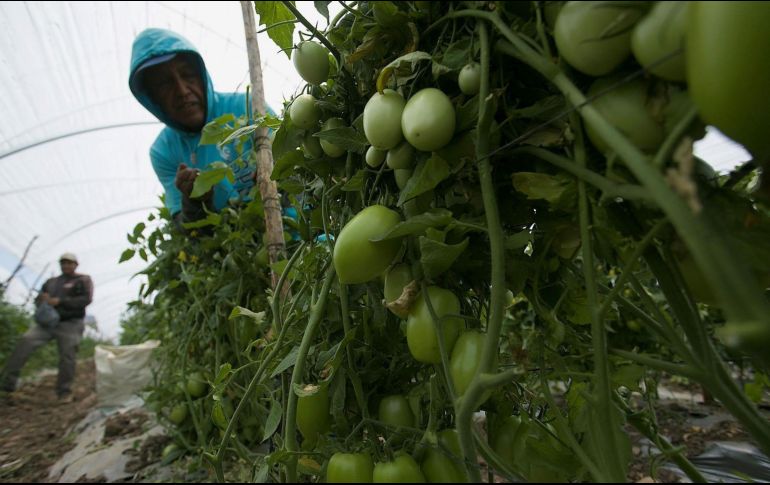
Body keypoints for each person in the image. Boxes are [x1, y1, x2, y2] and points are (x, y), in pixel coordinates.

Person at [128, 28, 275, 227]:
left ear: (201, 76)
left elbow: (292, 161)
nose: (182, 91)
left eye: (187, 75)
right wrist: (194, 201)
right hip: (240, 248)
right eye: (165, 84)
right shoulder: (163, 151)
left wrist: (275, 172)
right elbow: (186, 227)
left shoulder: (248, 107)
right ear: (152, 99)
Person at [1, 253, 94, 402]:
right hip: (48, 323)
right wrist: (42, 301)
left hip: (70, 323)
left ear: (76, 265)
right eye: (63, 263)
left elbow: (86, 299)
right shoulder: (51, 282)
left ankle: (64, 392)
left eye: (69, 263)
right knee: (25, 341)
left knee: (67, 355)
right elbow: (39, 298)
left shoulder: (82, 280)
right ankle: (6, 386)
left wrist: (61, 301)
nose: (66, 266)